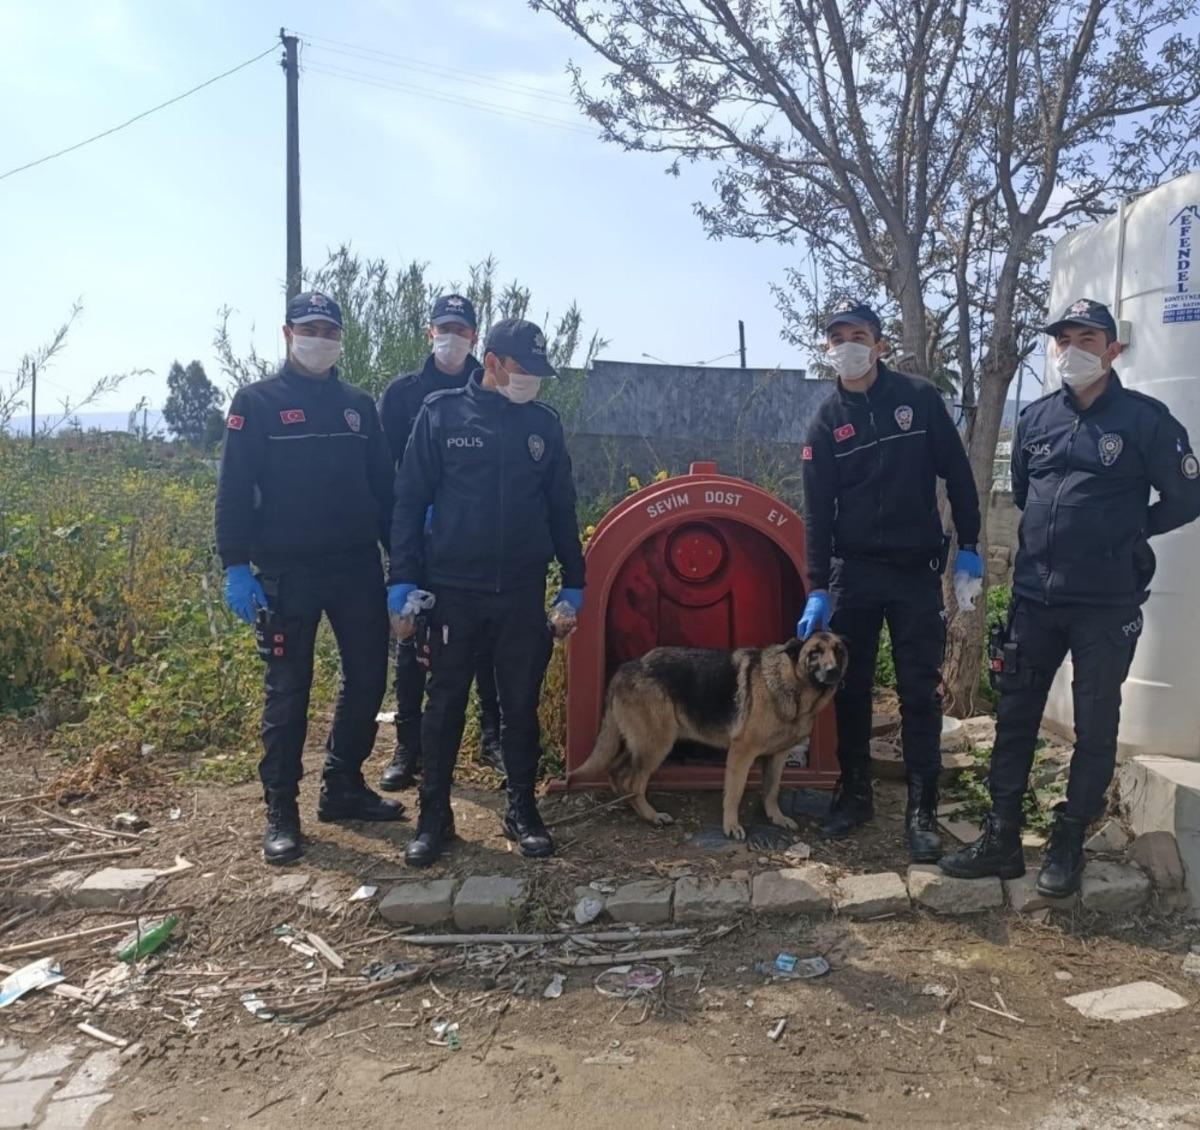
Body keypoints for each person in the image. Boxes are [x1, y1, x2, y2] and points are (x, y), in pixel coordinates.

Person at [941, 298, 1200, 895]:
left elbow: (1187, 497)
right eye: (1065, 340)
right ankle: (1002, 836)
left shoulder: (1146, 420)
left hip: (1106, 606)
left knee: (1096, 724)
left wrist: (1135, 532)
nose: (1074, 350)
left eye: (1088, 339)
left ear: (1113, 349)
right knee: (1015, 720)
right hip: (1036, 600)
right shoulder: (1035, 420)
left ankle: (1068, 838)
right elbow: (1029, 494)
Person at [389, 317, 585, 868]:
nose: (533, 382)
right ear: (494, 363)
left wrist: (574, 581)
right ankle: (435, 817)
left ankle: (522, 810)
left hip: (521, 590)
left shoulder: (543, 426)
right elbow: (407, 501)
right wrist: (401, 580)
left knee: (519, 706)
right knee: (445, 703)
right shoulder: (441, 414)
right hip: (453, 590)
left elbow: (562, 508)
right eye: (524, 370)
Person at [215, 291, 402, 866]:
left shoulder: (358, 405)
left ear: (340, 338)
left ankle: (342, 785)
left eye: (329, 328)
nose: (320, 337)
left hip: (355, 567)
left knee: (369, 680)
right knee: (288, 691)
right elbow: (233, 491)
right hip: (284, 570)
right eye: (309, 327)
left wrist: (404, 567)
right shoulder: (257, 402)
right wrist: (236, 566)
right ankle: (282, 810)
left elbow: (384, 491)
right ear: (288, 333)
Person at [798, 300, 982, 862]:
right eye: (837, 338)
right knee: (847, 688)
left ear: (880, 345)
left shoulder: (919, 400)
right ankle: (855, 795)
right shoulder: (825, 421)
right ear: (828, 349)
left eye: (858, 335)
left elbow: (957, 473)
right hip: (852, 573)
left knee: (917, 692)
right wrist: (817, 584)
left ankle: (921, 807)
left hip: (914, 572)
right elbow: (816, 509)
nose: (847, 345)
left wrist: (970, 547)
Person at [376, 295, 502, 792]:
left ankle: (492, 738)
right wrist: (400, 543)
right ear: (431, 332)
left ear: (475, 336)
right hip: (420, 547)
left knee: (487, 646)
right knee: (411, 645)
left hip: (477, 547)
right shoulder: (403, 394)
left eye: (462, 329)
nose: (453, 336)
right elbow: (385, 477)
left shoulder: (491, 389)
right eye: (444, 327)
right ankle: (410, 747)